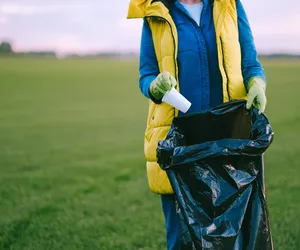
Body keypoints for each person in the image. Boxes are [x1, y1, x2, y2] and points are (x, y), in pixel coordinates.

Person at [127, 0, 267, 249]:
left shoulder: (230, 4)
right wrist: (154, 85)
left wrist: (257, 83)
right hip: (181, 144)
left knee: (232, 237)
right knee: (181, 239)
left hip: (227, 139)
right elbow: (145, 74)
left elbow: (250, 63)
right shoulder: (155, 12)